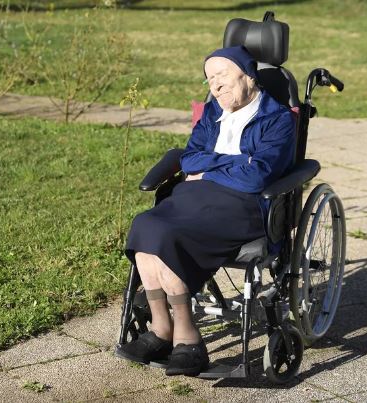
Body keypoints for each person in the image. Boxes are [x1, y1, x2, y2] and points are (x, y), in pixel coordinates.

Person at [115, 46, 296, 376]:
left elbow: (258, 175)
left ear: (247, 75)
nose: (216, 85)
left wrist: (211, 170)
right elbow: (188, 159)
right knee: (145, 226)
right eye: (209, 79)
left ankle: (187, 336)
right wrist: (236, 161)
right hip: (194, 195)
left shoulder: (278, 118)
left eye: (222, 75)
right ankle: (161, 328)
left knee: (166, 234)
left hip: (242, 206)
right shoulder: (212, 113)